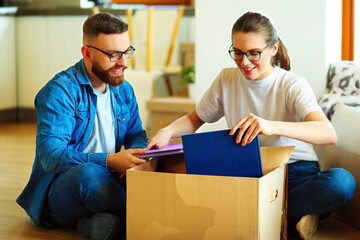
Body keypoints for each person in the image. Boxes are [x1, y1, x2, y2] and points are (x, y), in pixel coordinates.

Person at [147, 11, 356, 239]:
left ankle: (267, 213)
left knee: (340, 182)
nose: (244, 62)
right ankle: (294, 217)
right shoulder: (226, 79)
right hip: (249, 171)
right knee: (203, 183)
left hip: (296, 172)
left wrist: (271, 126)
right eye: (237, 53)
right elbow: (194, 119)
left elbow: (327, 133)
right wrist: (166, 131)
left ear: (273, 49)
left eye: (254, 53)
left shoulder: (292, 84)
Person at [17, 12, 148, 240]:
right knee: (89, 174)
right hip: (65, 190)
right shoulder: (60, 92)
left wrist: (138, 158)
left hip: (108, 181)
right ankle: (146, 218)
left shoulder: (123, 89)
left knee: (147, 170)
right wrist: (110, 161)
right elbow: (51, 155)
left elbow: (136, 133)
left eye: (126, 52)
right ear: (87, 53)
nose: (124, 63)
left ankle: (95, 223)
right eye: (113, 55)